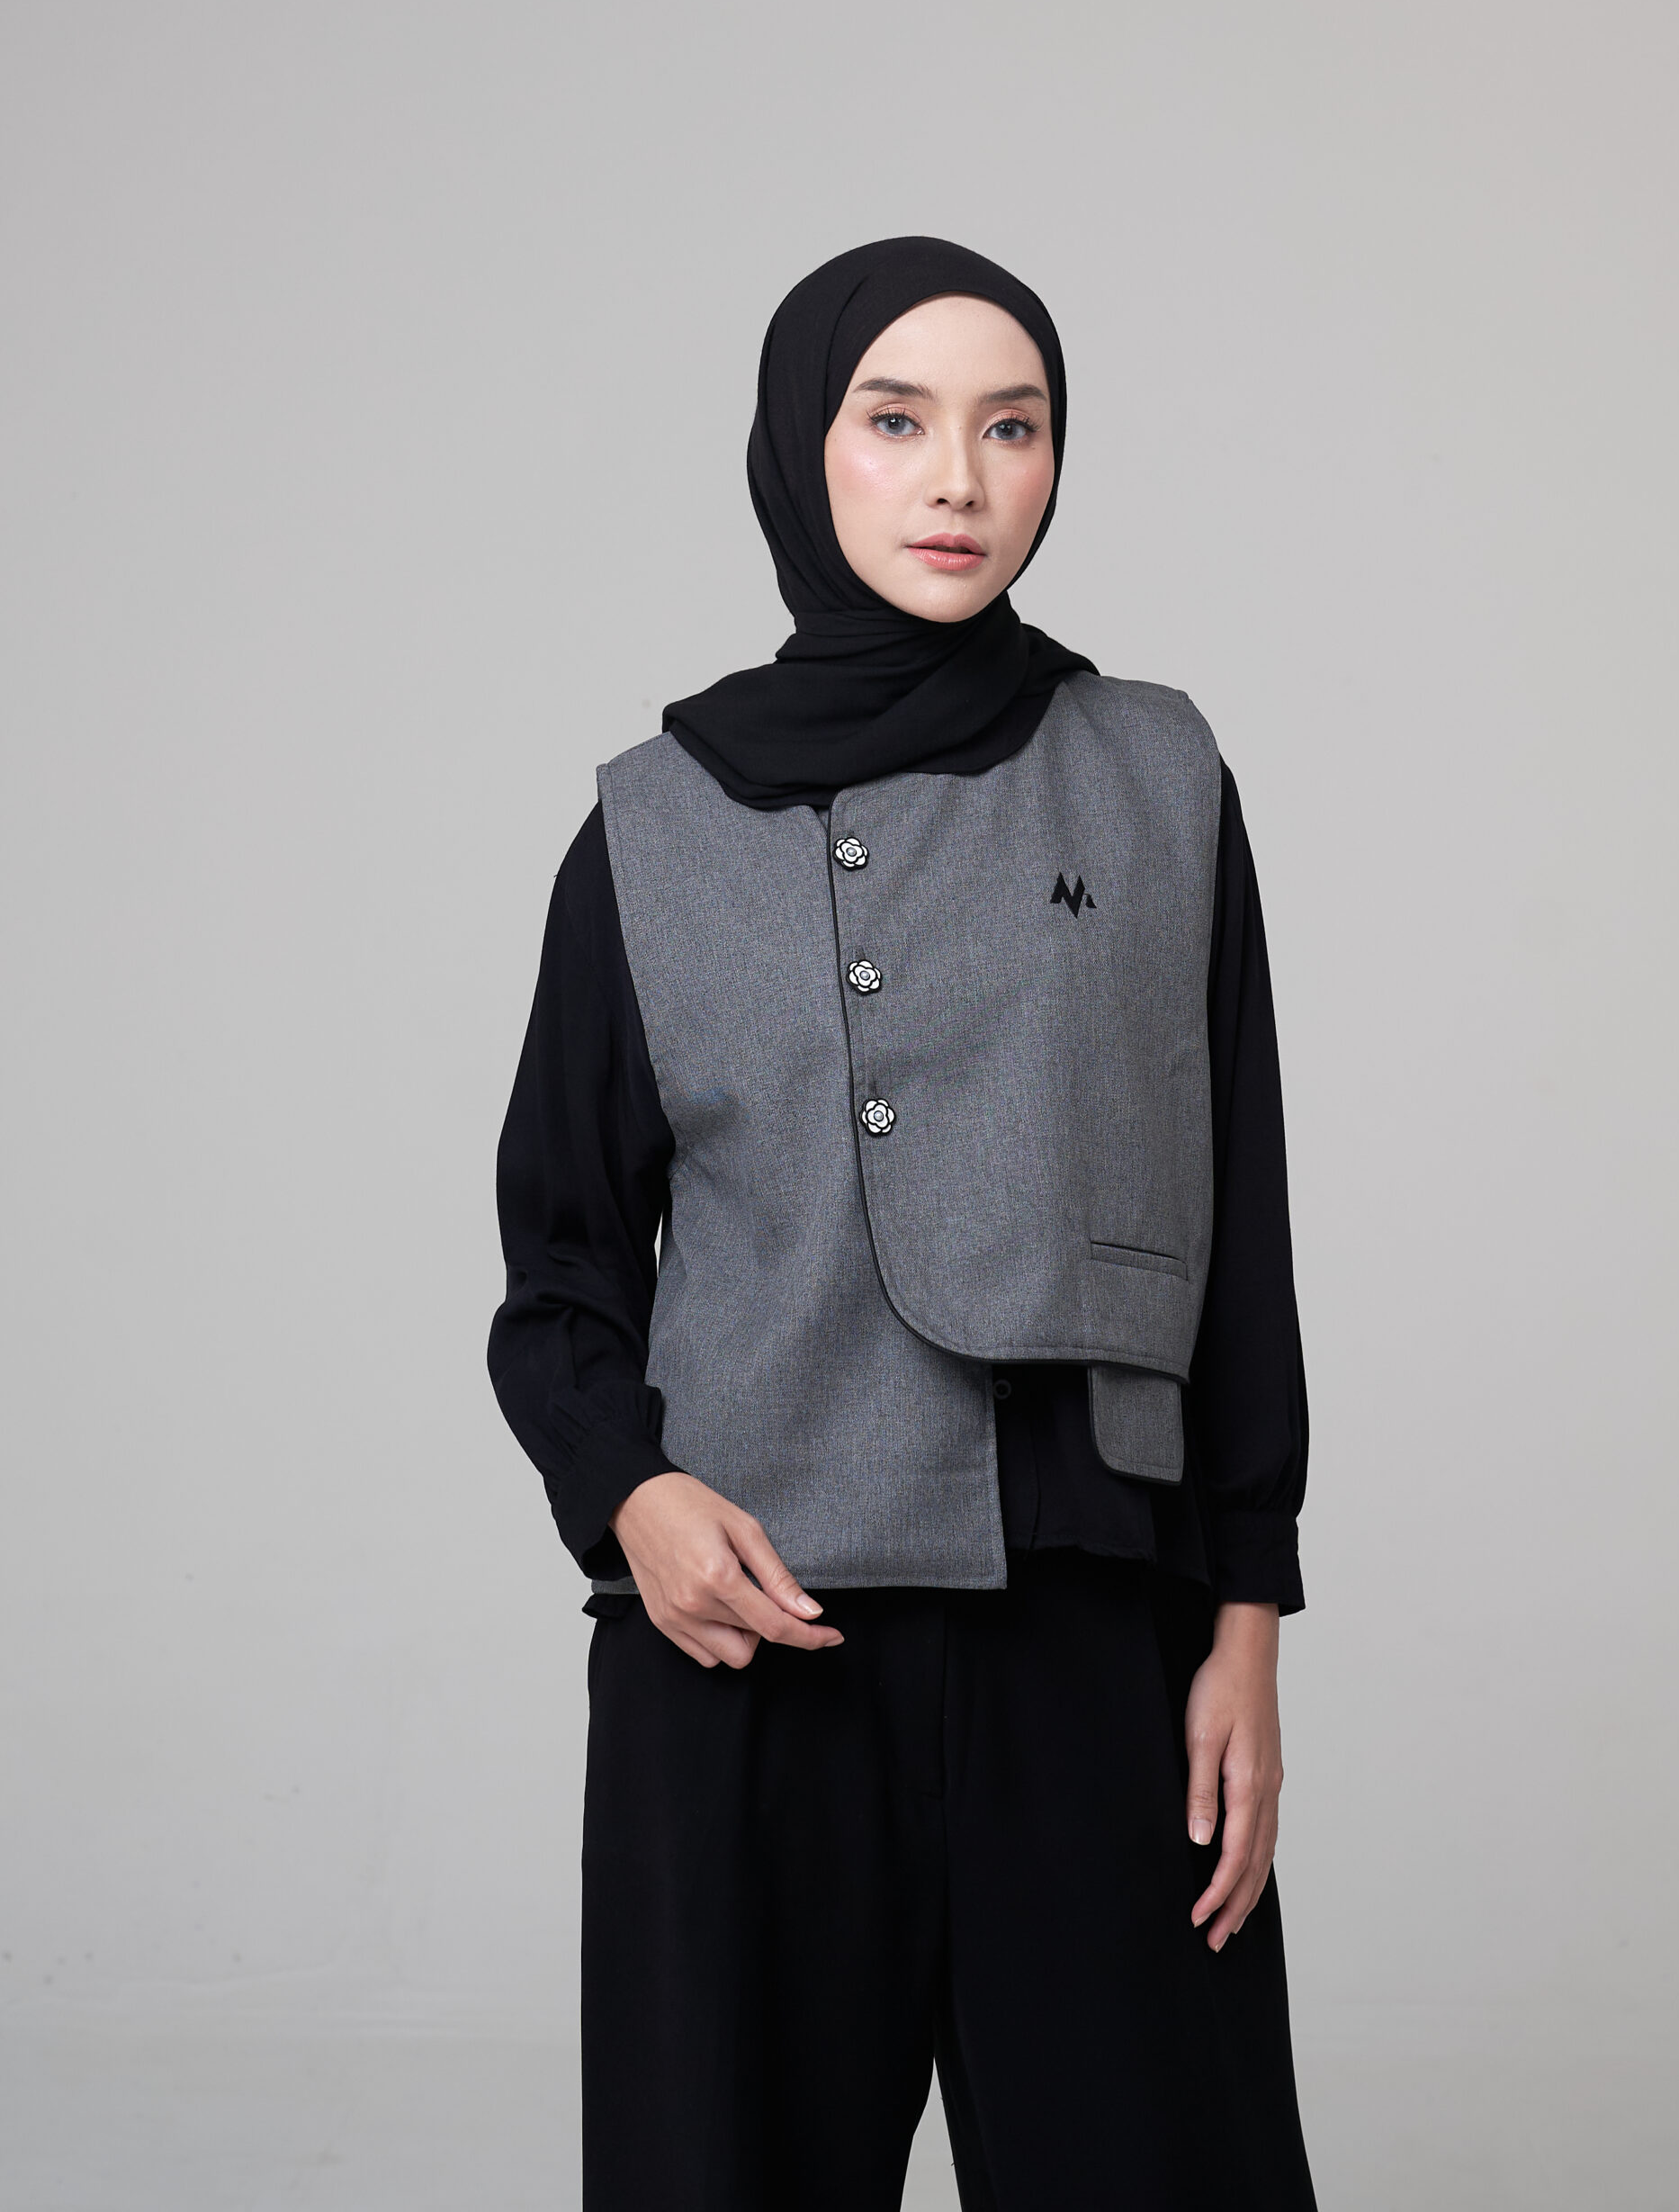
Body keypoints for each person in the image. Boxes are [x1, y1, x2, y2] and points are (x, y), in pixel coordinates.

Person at [489, 236, 1316, 2211]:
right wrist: (632, 1498)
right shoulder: (649, 827)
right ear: (805, 448)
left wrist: (1246, 1622)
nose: (959, 477)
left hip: (1093, 1632)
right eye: (896, 420)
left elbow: (1242, 1230)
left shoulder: (1159, 773)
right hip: (751, 1639)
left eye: (1011, 427)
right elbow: (561, 1271)